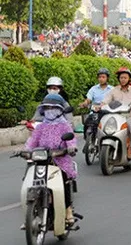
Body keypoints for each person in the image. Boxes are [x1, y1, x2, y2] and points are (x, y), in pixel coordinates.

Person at [25, 94, 78, 224]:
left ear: (60, 110)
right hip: (42, 160)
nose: (50, 110)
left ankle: (68, 210)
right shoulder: (41, 127)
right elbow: (33, 141)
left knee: (64, 182)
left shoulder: (64, 126)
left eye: (53, 107)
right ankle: (31, 214)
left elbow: (71, 141)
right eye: (47, 108)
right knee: (30, 180)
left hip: (60, 160)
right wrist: (26, 151)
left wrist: (71, 148)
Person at [102, 68, 131, 155]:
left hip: (128, 114)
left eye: (125, 78)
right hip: (115, 114)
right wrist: (99, 106)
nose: (123, 80)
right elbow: (105, 101)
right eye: (121, 78)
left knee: (130, 124)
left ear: (129, 79)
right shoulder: (114, 90)